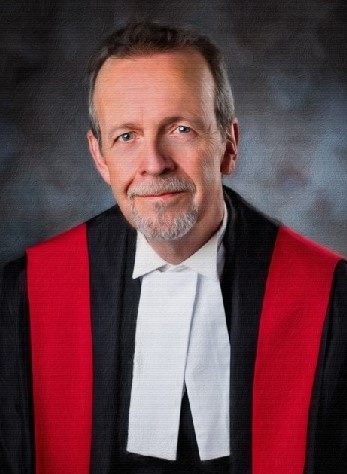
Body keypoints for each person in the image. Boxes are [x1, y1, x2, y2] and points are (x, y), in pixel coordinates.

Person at [1, 21, 346, 474]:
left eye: (180, 129)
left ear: (228, 145)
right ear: (100, 157)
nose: (154, 164)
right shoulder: (26, 295)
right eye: (127, 136)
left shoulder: (330, 298)